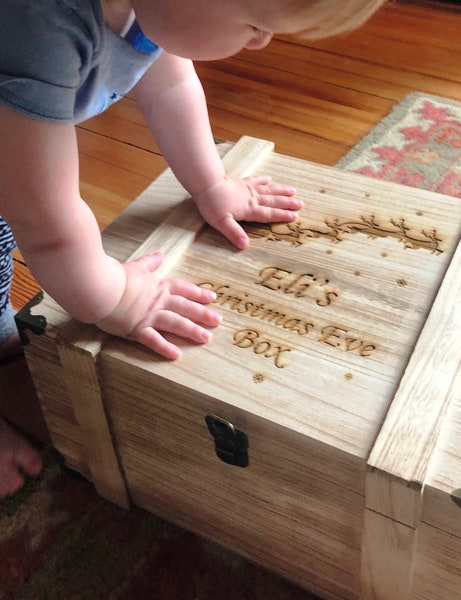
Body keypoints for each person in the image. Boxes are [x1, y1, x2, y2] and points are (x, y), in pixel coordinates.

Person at [0, 0, 385, 498]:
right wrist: (115, 297)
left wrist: (211, 185)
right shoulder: (39, 23)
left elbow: (170, 87)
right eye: (256, 24)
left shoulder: (153, 9)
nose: (260, 42)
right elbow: (42, 215)